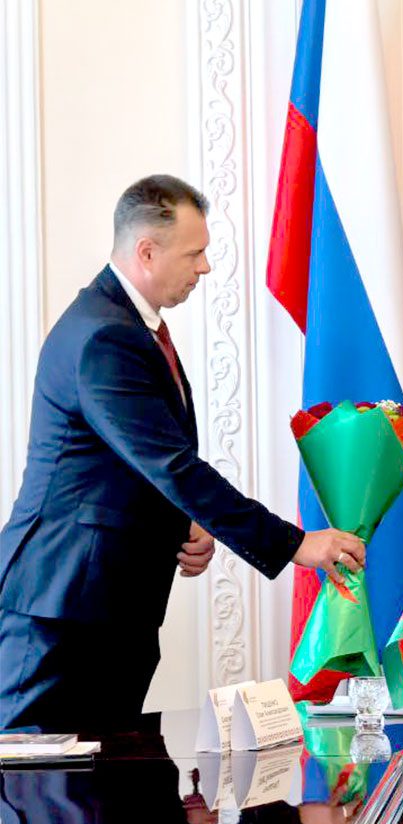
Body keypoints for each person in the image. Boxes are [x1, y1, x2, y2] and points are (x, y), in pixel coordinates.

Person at [0, 175, 365, 731]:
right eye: (194, 254)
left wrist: (183, 524)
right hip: (63, 609)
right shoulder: (104, 336)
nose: (205, 268)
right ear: (147, 251)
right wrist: (294, 545)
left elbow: (131, 465)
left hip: (104, 606)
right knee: (47, 779)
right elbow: (172, 465)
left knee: (108, 779)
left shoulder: (128, 326)